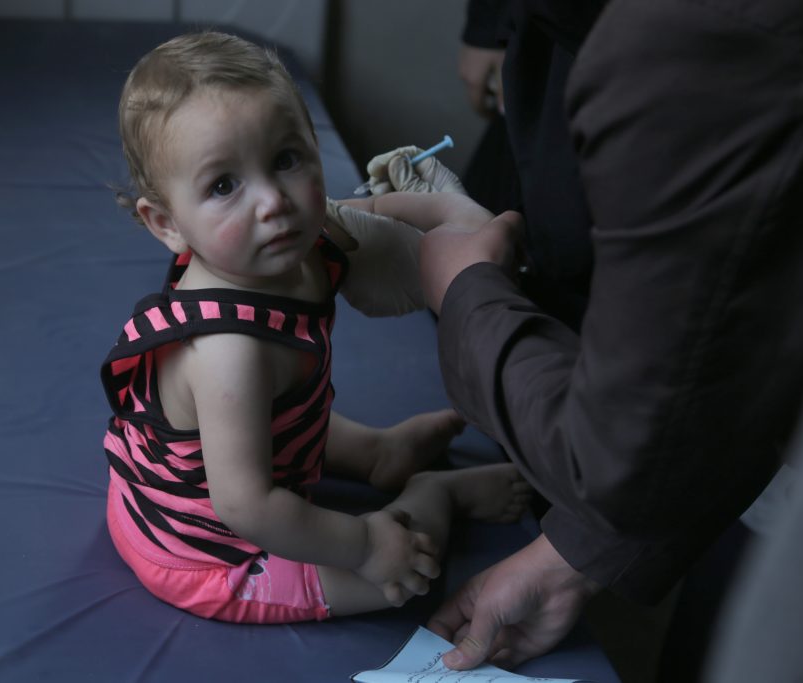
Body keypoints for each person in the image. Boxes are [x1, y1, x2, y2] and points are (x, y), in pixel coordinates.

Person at [365, 0, 803, 672]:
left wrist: (466, 295)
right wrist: (573, 558)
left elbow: (624, 454)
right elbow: (723, 341)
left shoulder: (693, 49)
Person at [100, 31, 531, 625]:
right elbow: (247, 507)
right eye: (224, 185)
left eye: (285, 159)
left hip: (253, 450)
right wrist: (365, 545)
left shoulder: (295, 241)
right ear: (168, 224)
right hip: (203, 549)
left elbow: (369, 214)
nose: (273, 202)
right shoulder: (227, 352)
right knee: (402, 578)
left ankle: (379, 453)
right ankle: (435, 495)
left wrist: (448, 214)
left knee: (278, 419)